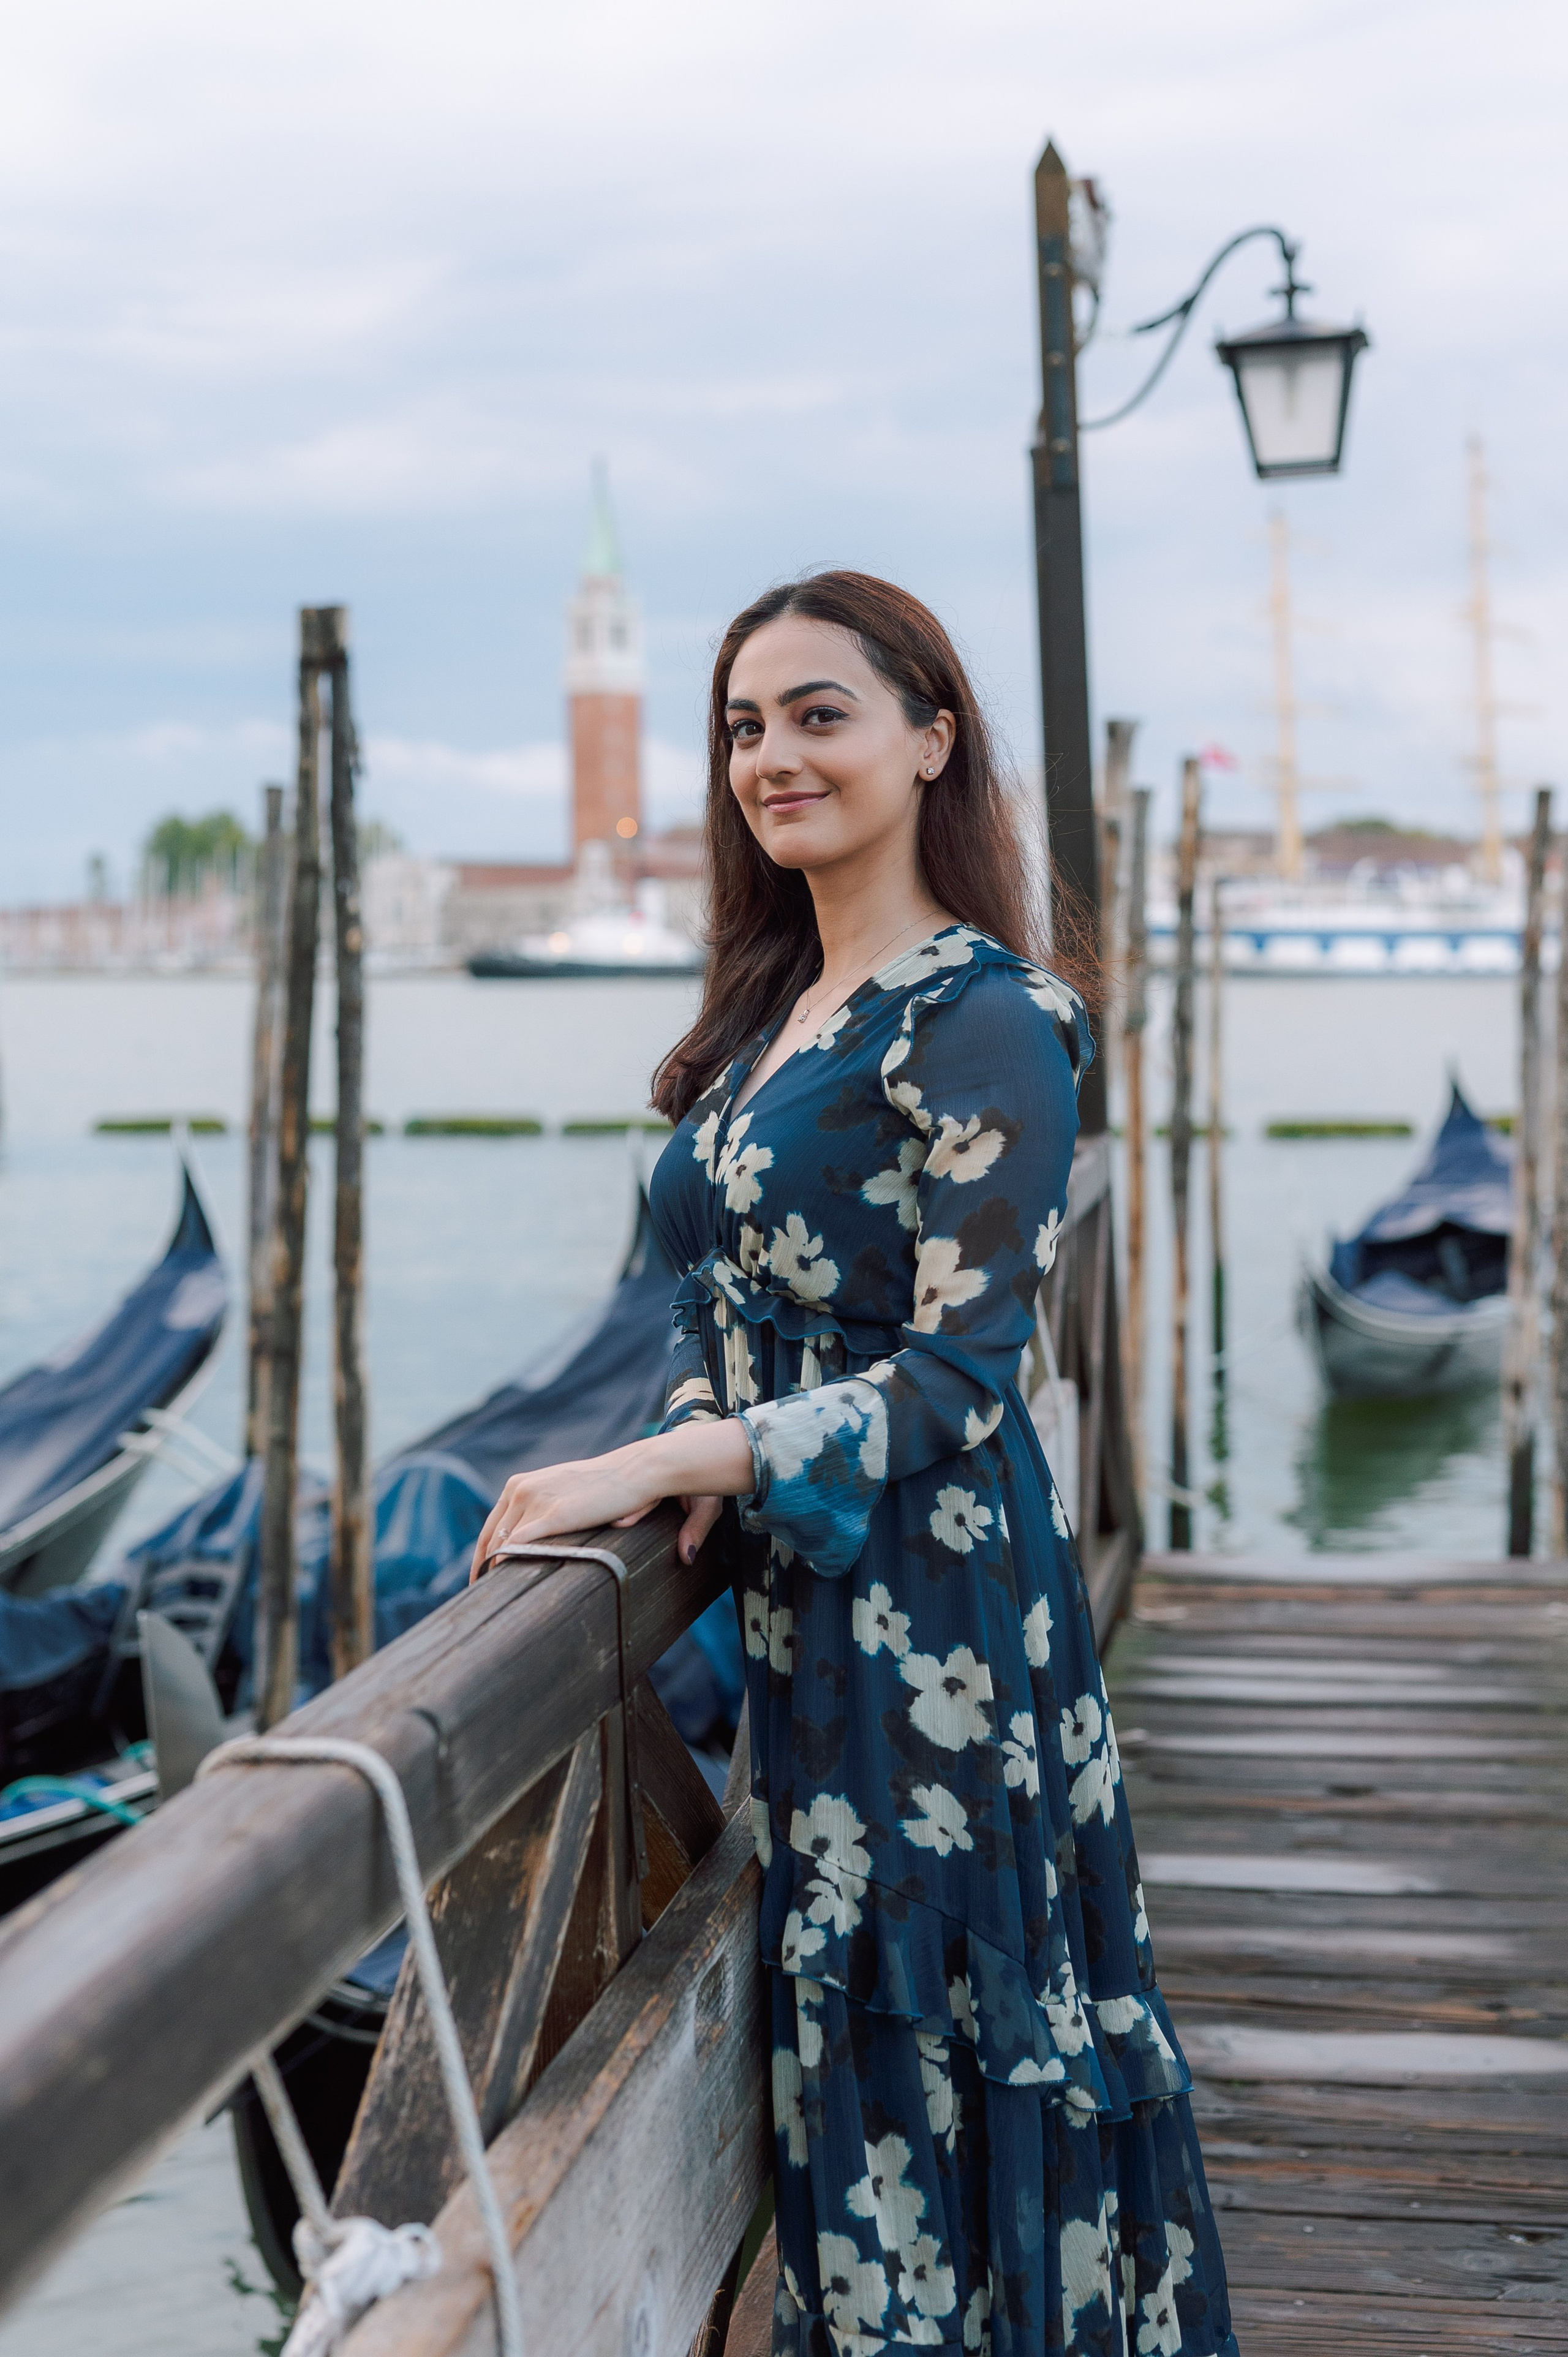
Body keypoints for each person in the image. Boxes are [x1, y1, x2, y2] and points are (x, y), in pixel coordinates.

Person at [472, 572, 1237, 2357]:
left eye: (822, 713)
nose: (773, 756)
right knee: (848, 2040)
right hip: (812, 1619)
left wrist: (674, 1460)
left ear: (931, 737)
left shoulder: (986, 1015)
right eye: (746, 724)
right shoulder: (776, 1016)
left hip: (947, 1621)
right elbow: (727, 1298)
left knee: (939, 2032)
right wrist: (684, 1439)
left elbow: (966, 1372)